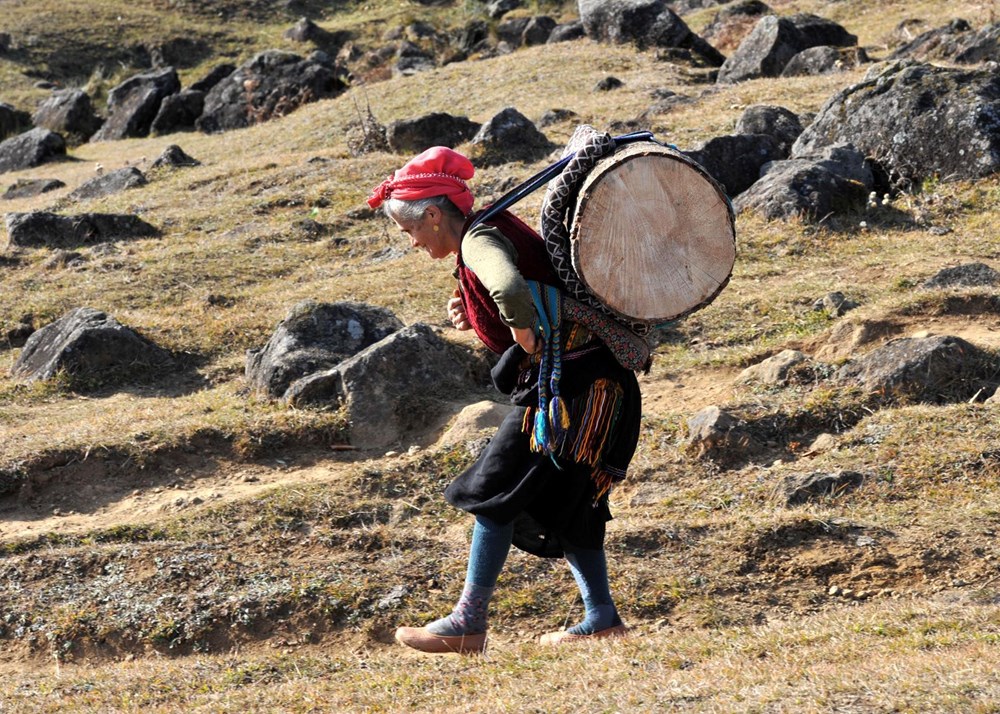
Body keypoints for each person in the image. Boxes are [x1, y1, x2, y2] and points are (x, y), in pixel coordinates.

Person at [366, 146, 642, 654]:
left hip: (566, 394)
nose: (412, 243)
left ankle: (468, 622)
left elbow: (512, 289)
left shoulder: (478, 240)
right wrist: (476, 311)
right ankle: (602, 617)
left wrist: (521, 331)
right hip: (605, 388)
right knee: (569, 500)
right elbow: (523, 286)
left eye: (410, 232)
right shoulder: (497, 226)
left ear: (432, 215)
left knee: (494, 489)